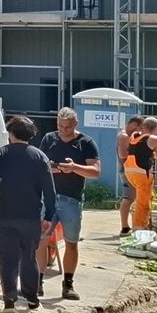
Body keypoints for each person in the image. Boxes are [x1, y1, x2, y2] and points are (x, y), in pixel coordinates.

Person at [0, 115, 58, 313]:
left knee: (7, 258)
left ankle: (9, 301)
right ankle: (32, 300)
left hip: (6, 214)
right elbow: (49, 190)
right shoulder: (40, 156)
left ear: (11, 133)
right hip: (31, 216)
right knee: (29, 257)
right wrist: (49, 215)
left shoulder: (2, 153)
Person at [37, 107, 100, 301]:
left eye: (68, 127)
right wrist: (50, 169)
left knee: (71, 242)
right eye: (61, 126)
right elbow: (38, 164)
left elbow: (95, 171)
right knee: (40, 240)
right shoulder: (49, 139)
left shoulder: (86, 143)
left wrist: (74, 168)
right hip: (47, 198)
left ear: (76, 125)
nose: (64, 130)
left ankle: (68, 284)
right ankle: (37, 282)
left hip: (71, 199)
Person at [124, 116, 157, 234]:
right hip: (141, 173)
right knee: (142, 203)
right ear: (155, 128)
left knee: (146, 198)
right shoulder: (155, 139)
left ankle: (146, 224)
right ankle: (139, 229)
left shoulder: (135, 136)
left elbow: (144, 146)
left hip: (129, 171)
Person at [117, 115, 144, 234]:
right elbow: (123, 155)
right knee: (128, 199)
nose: (140, 131)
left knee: (131, 198)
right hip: (127, 171)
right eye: (140, 128)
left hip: (130, 170)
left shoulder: (128, 136)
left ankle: (131, 225)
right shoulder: (124, 136)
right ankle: (125, 227)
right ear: (134, 125)